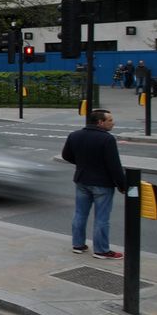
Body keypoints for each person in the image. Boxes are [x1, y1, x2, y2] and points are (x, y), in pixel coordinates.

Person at [61, 109, 128, 259]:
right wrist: (122, 185)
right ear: (100, 122)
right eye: (110, 120)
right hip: (102, 184)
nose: (113, 122)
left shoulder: (75, 135)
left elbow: (66, 155)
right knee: (102, 218)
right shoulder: (107, 139)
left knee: (80, 214)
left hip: (82, 180)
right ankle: (101, 250)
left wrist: (82, 164)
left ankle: (78, 245)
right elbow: (114, 165)